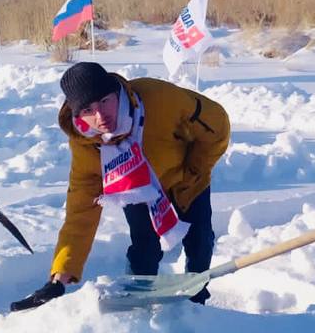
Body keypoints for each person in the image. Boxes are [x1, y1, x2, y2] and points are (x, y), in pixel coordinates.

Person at [12, 62, 229, 310]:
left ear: (117, 92)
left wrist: (194, 169)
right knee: (144, 247)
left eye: (105, 101)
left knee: (199, 240)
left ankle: (196, 304)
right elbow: (80, 212)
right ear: (77, 115)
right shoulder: (87, 146)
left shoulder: (159, 98)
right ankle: (136, 307)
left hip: (186, 179)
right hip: (135, 187)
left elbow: (218, 125)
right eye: (88, 110)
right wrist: (60, 277)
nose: (100, 116)